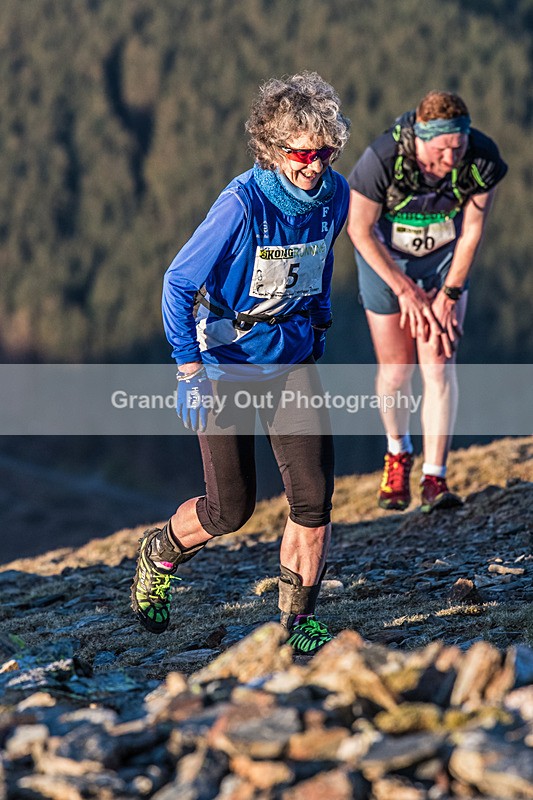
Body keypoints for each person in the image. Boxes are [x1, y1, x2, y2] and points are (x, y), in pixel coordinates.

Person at [131, 72, 351, 655]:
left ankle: (297, 623)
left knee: (313, 498)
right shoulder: (241, 204)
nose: (315, 165)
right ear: (273, 149)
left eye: (326, 151)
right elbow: (178, 282)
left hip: (293, 359)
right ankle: (161, 553)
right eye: (303, 153)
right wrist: (188, 368)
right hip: (226, 364)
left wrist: (321, 317)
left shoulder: (338, 194)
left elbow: (322, 259)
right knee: (230, 510)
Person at [347, 91, 507, 513]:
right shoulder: (382, 158)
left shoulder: (481, 157)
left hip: (442, 265)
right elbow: (359, 228)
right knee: (397, 370)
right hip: (386, 264)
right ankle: (397, 453)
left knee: (438, 363)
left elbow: (472, 230)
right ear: (420, 138)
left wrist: (449, 295)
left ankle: (435, 477)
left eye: (459, 146)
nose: (452, 158)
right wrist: (405, 291)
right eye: (441, 149)